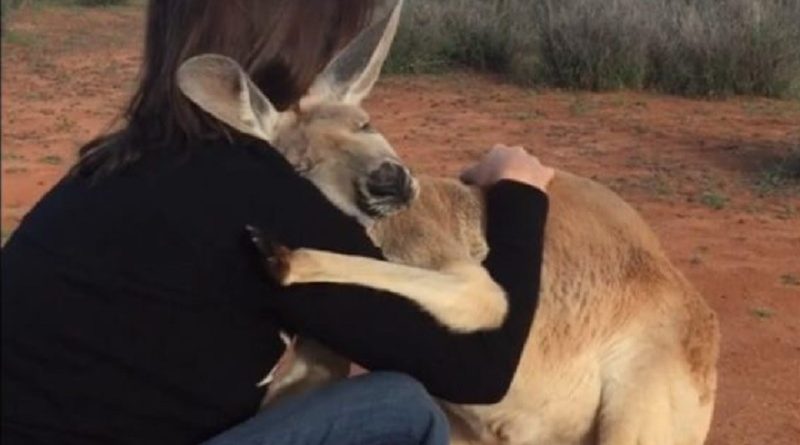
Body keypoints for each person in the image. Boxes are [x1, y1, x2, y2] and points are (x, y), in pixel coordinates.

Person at [0, 1, 554, 444]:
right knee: (400, 411)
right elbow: (481, 367)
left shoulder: (108, 165)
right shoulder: (260, 193)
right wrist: (520, 198)